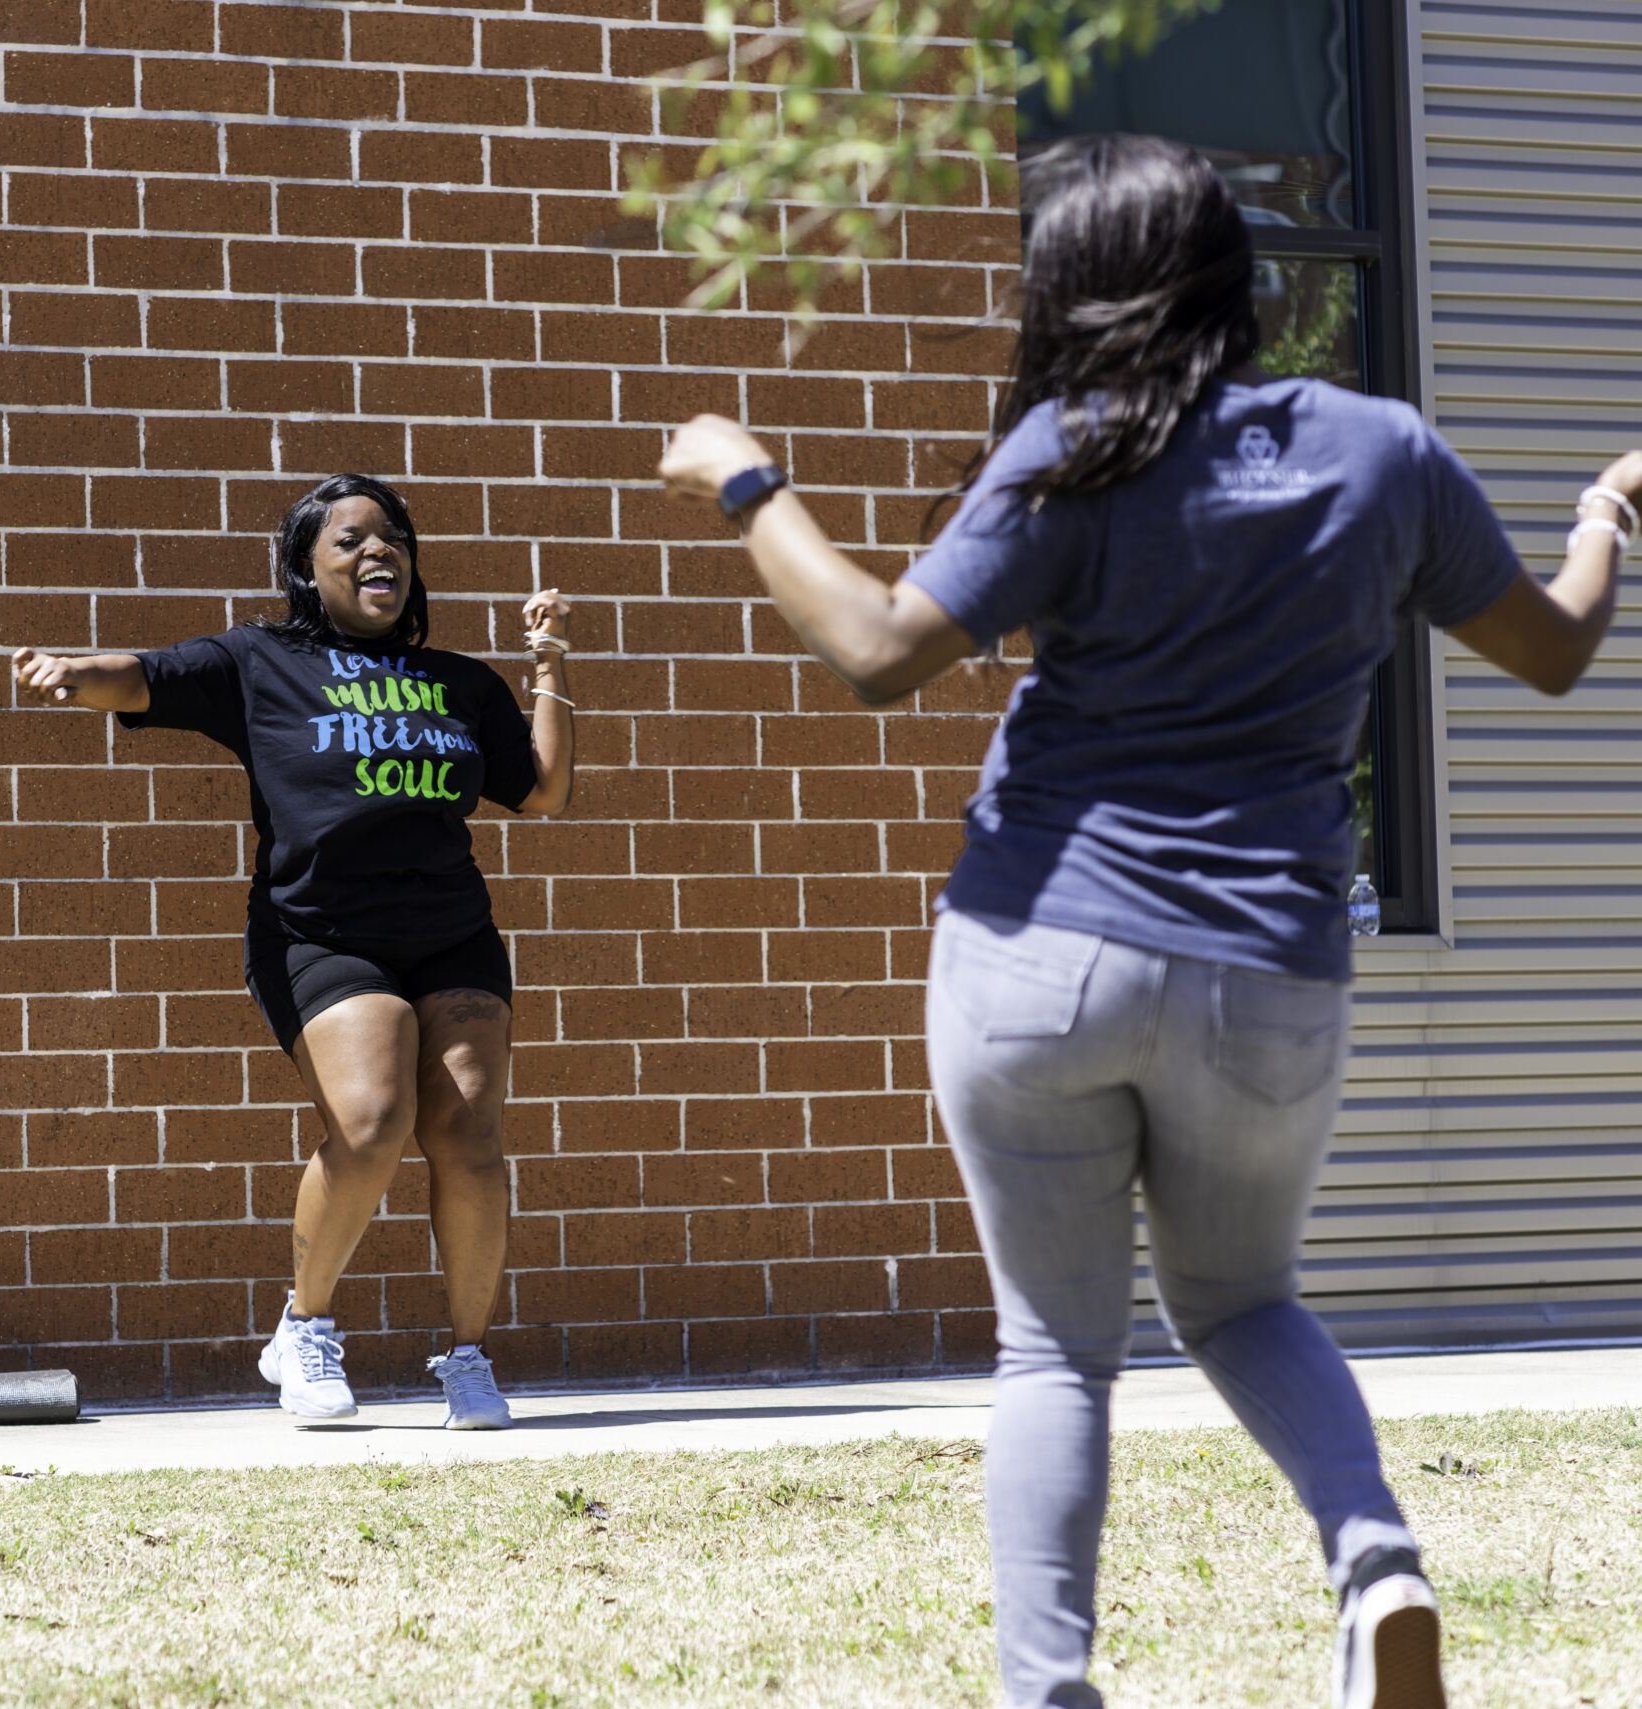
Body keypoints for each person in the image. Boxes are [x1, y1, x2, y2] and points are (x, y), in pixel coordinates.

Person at [660, 134, 1637, 1709]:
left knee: (1056, 1350)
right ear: (1233, 272)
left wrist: (747, 481)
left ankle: (1051, 1689)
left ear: (1076, 283)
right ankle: (1377, 1562)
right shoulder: (1381, 449)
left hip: (1038, 953)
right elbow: (1556, 648)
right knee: (1243, 1300)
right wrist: (1604, 508)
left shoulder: (1081, 445)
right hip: (1267, 972)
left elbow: (876, 648)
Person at [11, 474, 574, 1428]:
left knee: (471, 1138)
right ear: (309, 573)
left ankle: (470, 1359)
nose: (375, 552)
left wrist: (549, 662)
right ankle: (304, 1327)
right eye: (348, 541)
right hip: (320, 931)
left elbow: (544, 790)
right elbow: (145, 674)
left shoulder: (459, 682)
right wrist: (73, 669)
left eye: (390, 538)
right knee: (372, 1120)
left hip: (451, 932)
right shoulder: (261, 660)